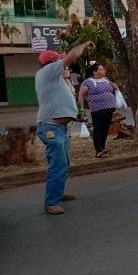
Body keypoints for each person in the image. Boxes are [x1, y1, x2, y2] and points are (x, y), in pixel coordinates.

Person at [35, 42, 95, 215]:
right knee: (58, 164)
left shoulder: (58, 79)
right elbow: (72, 56)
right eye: (59, 61)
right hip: (50, 127)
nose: (64, 65)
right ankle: (51, 202)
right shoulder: (47, 72)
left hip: (61, 128)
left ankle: (57, 194)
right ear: (52, 63)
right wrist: (84, 45)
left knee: (64, 163)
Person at [78, 62, 118, 158]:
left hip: (109, 108)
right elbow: (81, 94)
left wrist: (114, 86)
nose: (103, 70)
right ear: (94, 72)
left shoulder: (106, 80)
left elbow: (114, 87)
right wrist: (81, 108)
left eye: (102, 69)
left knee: (105, 128)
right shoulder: (88, 82)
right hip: (97, 109)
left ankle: (103, 147)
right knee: (98, 128)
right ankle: (98, 149)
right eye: (100, 69)